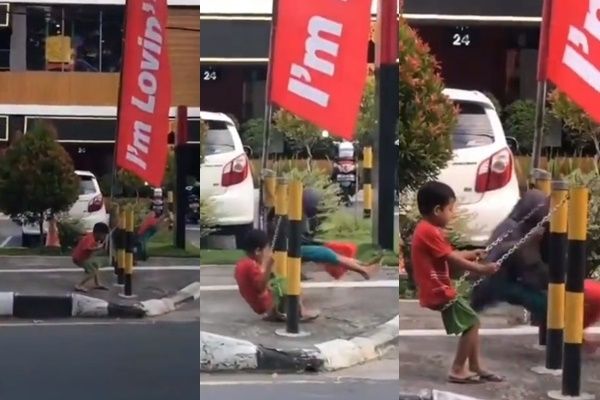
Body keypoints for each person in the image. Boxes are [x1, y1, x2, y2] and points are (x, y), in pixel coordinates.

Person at [411, 181, 502, 384]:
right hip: (439, 290)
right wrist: (481, 269)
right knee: (472, 323)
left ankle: (475, 365)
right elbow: (451, 259)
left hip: (439, 288)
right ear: (437, 210)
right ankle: (458, 369)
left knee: (472, 322)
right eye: (451, 209)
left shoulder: (427, 229)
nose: (453, 214)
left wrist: (472, 253)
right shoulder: (429, 232)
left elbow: (449, 254)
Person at [471, 189, 551, 323]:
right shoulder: (511, 228)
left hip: (506, 280)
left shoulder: (522, 227)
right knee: (543, 304)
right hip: (498, 283)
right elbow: (504, 259)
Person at [234, 229, 319, 322]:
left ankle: (277, 311)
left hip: (259, 304)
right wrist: (269, 265)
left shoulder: (242, 263)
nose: (268, 252)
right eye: (267, 249)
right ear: (258, 251)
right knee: (292, 286)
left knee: (282, 282)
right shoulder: (250, 265)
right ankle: (300, 313)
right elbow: (260, 287)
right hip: (266, 305)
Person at [73, 222, 111, 293]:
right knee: (92, 272)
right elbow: (86, 248)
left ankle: (97, 284)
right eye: (103, 235)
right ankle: (79, 285)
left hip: (84, 258)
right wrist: (98, 248)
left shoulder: (93, 238)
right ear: (98, 233)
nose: (104, 237)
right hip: (80, 259)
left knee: (95, 267)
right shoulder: (90, 238)